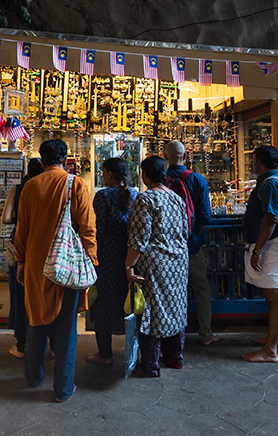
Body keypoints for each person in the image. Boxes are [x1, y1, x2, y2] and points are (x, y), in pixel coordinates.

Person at [14, 139, 97, 402]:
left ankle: (34, 376)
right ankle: (62, 388)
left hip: (37, 266)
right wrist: (92, 261)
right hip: (66, 267)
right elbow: (87, 228)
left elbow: (22, 230)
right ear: (66, 159)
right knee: (66, 329)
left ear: (43, 158)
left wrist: (21, 261)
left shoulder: (30, 187)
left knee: (36, 320)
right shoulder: (75, 184)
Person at [125, 155, 189, 377]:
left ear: (144, 175)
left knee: (153, 311)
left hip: (155, 266)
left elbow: (138, 239)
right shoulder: (176, 198)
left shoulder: (146, 199)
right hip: (179, 263)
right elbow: (185, 232)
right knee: (176, 308)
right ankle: (175, 357)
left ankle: (151, 365)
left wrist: (128, 266)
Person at [163, 140, 219, 346]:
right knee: (201, 288)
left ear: (165, 156)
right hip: (192, 243)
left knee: (170, 288)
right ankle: (206, 333)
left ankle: (172, 335)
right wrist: (194, 232)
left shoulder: (160, 179)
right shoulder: (197, 179)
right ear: (185, 156)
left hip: (166, 245)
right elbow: (205, 215)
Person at [241, 146, 278, 362]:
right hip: (275, 243)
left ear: (259, 162)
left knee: (274, 296)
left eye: (254, 161)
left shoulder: (271, 184)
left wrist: (258, 250)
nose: (253, 164)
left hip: (272, 244)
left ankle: (270, 351)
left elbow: (270, 219)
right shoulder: (273, 182)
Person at [85, 157, 139, 365]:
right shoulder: (135, 194)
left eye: (103, 173)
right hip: (129, 258)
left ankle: (105, 354)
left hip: (107, 258)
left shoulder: (103, 196)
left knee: (104, 303)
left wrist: (92, 256)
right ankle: (133, 350)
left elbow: (98, 230)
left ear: (108, 174)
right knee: (130, 303)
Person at [2, 158, 44, 359]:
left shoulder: (19, 189)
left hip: (21, 243)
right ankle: (50, 343)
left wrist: (20, 218)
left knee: (20, 295)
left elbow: (6, 218)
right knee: (46, 294)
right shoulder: (49, 188)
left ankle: (21, 344)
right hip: (43, 245)